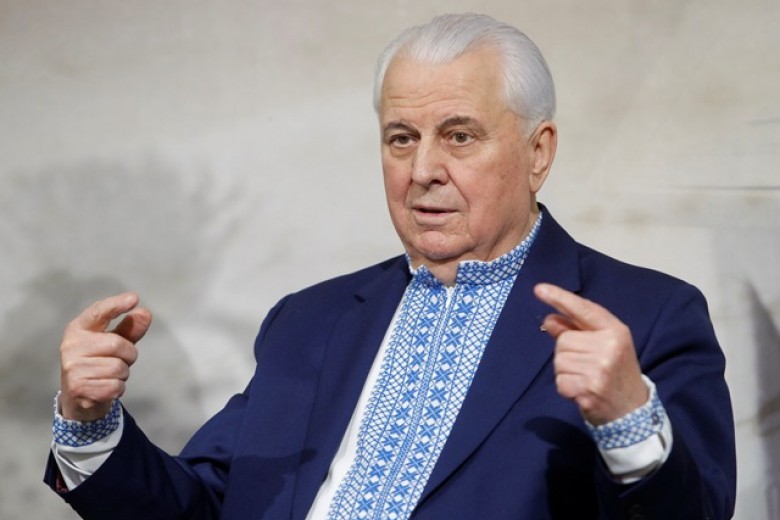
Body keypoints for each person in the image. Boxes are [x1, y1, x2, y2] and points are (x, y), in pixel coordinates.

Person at [45, 12, 736, 519]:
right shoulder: (308, 321)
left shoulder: (645, 316)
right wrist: (90, 422)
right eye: (401, 139)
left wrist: (626, 419)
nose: (422, 170)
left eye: (459, 136)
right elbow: (204, 506)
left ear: (538, 152)